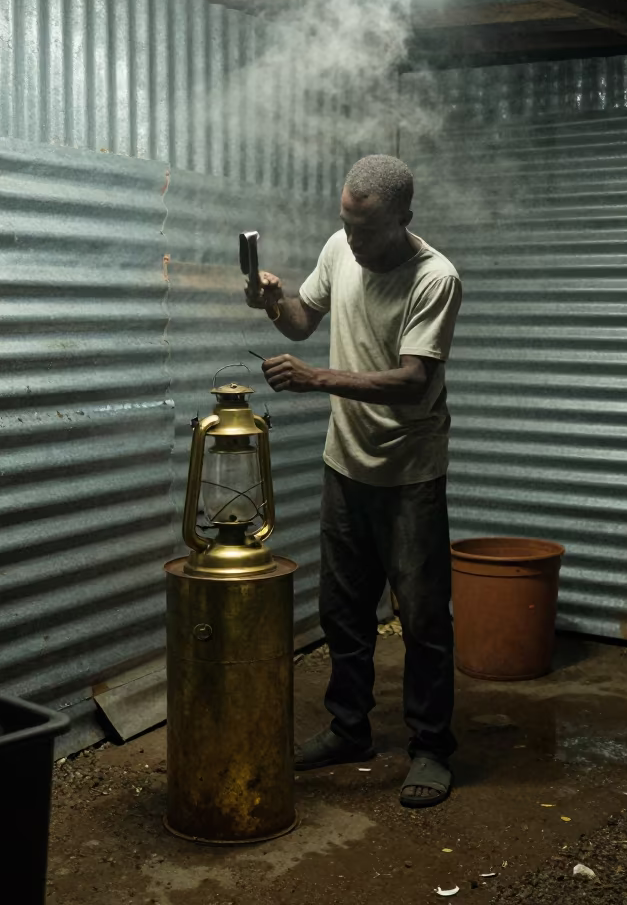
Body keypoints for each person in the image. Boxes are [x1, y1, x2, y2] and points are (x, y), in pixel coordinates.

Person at [245, 153, 462, 808]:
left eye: (366, 231)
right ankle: (349, 730)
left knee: (421, 617)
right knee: (342, 610)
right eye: (347, 225)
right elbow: (302, 320)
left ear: (404, 219)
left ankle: (431, 747)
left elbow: (413, 381)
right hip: (345, 464)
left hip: (409, 473)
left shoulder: (435, 278)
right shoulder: (340, 247)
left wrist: (316, 378)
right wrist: (272, 302)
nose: (353, 240)